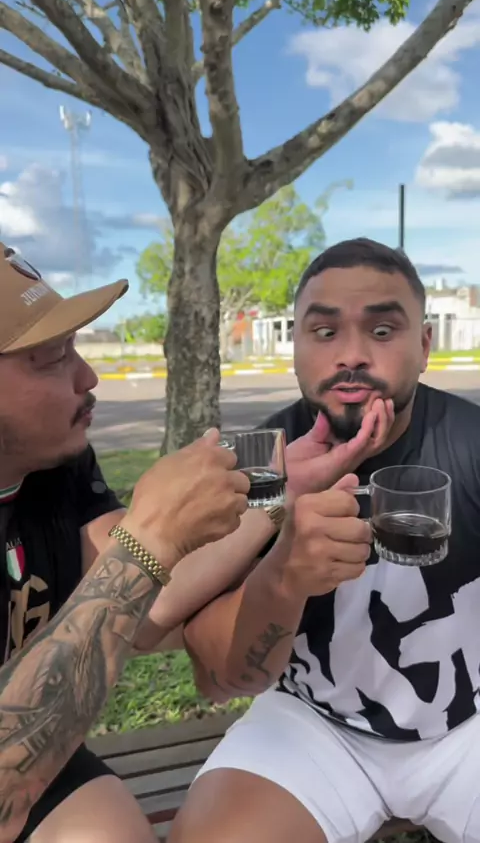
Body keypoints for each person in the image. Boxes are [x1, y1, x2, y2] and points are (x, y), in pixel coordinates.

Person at [169, 238, 480, 843]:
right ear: (297, 348)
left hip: (466, 724)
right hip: (315, 727)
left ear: (424, 346)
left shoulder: (471, 442)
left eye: (383, 331)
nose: (352, 355)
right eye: (325, 331)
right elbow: (217, 675)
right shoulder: (260, 461)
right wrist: (284, 574)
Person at [0, 242, 259, 843]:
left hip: (36, 735)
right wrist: (153, 536)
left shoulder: (53, 463)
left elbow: (142, 599)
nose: (87, 377)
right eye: (51, 358)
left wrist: (278, 499)